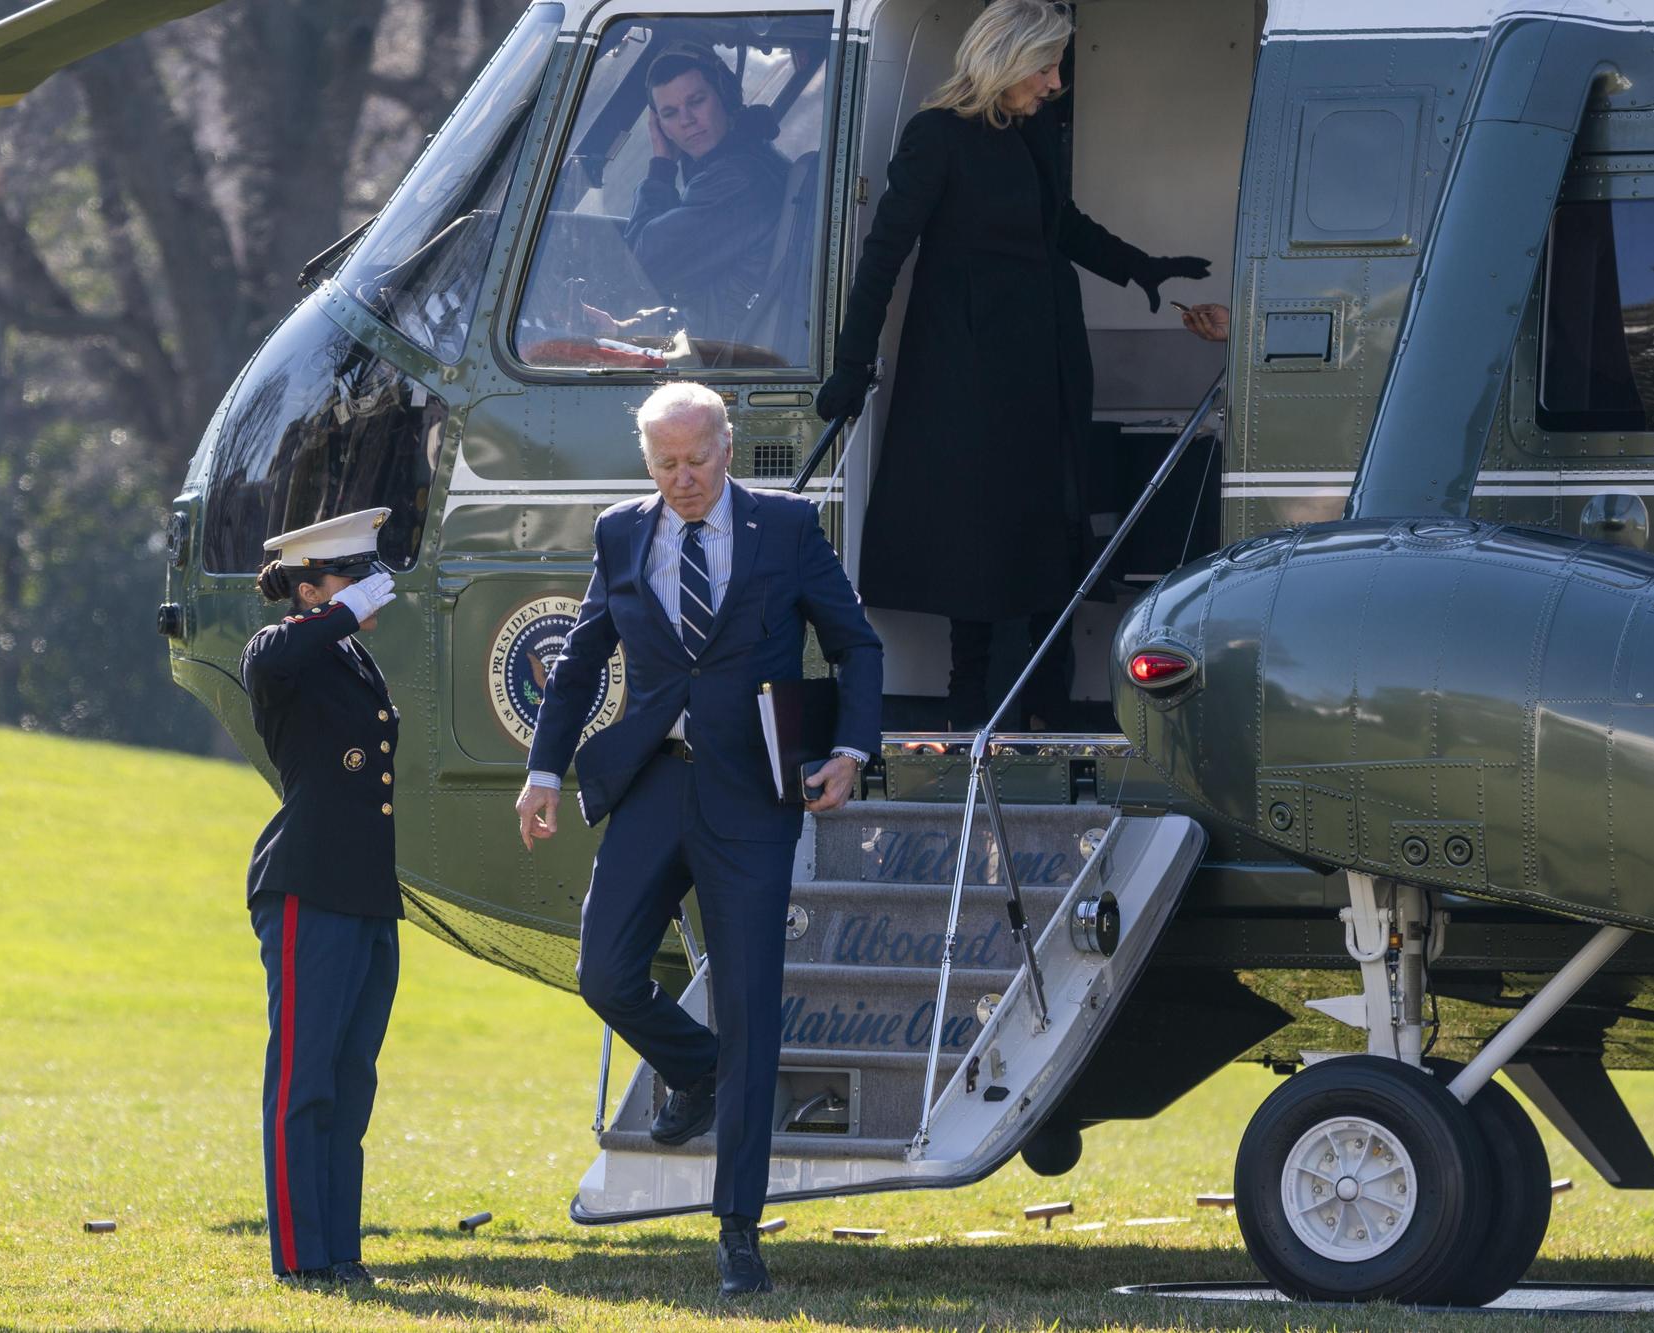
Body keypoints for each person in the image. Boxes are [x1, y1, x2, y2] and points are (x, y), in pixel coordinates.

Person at [513, 382, 883, 1296]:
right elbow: (584, 660)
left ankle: (738, 1231)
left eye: (697, 459)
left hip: (752, 797)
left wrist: (851, 748)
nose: (683, 479)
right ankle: (695, 1067)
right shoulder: (620, 532)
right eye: (666, 463)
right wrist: (544, 769)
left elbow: (856, 645)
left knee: (752, 1007)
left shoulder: (787, 529)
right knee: (602, 971)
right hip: (651, 783)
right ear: (648, 463)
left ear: (729, 446)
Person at [815, 0, 1222, 729]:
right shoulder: (936, 137)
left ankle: (1046, 711)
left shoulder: (1027, 135)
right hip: (968, 374)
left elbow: (1060, 224)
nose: (1055, 82)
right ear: (1003, 60)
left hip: (1046, 363)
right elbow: (884, 255)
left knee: (1048, 533)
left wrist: (1144, 270)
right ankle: (971, 719)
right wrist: (852, 364)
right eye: (1045, 66)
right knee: (976, 542)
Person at [240, 507, 403, 1288]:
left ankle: (341, 1250)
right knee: (304, 1081)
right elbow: (276, 653)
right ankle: (301, 1257)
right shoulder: (284, 650)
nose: (370, 591)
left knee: (350, 1078)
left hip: (365, 892)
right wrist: (340, 610)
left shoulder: (349, 662)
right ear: (310, 589)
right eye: (352, 575)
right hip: (308, 885)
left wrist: (344, 612)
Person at [598, 45, 793, 347]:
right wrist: (623, 329)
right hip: (719, 344)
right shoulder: (745, 162)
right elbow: (711, 298)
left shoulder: (737, 181)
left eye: (696, 101)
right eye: (670, 113)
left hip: (723, 359)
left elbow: (645, 270)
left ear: (726, 99)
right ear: (662, 127)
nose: (686, 119)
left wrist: (662, 166)